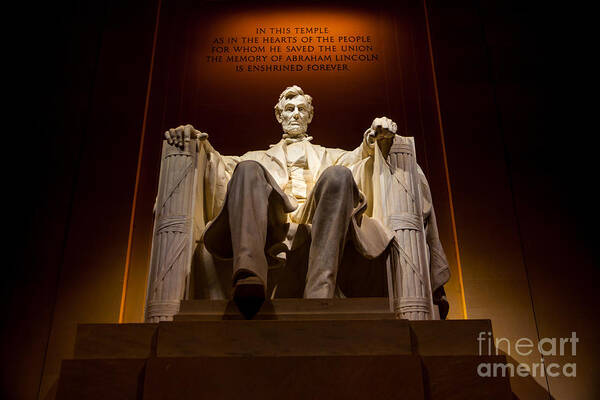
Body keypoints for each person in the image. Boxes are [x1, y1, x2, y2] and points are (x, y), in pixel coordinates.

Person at [165, 85, 449, 318]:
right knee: (247, 169)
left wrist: (376, 137)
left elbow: (362, 159)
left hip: (322, 220)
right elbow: (218, 167)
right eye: (289, 109)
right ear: (278, 116)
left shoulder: (331, 155)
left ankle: (320, 290)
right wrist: (195, 142)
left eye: (302, 109)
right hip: (272, 223)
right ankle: (249, 275)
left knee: (338, 175)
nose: (295, 114)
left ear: (310, 116)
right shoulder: (256, 157)